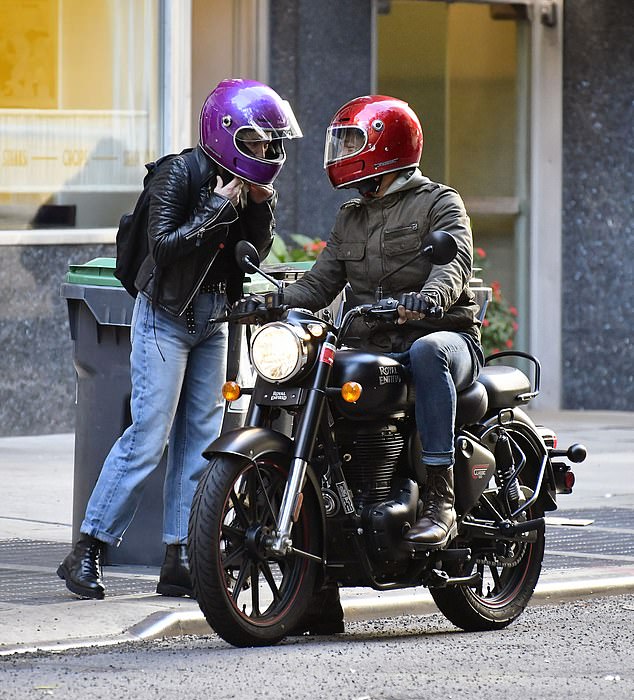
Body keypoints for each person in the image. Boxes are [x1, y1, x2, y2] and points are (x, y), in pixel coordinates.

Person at [57, 79, 302, 600]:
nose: (264, 153)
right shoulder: (177, 174)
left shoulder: (243, 184)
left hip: (213, 320)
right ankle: (87, 550)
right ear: (227, 134)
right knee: (148, 436)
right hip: (164, 318)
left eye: (269, 144)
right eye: (256, 143)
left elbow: (253, 252)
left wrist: (258, 206)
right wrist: (215, 208)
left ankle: (181, 555)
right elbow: (163, 247)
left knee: (200, 443)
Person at [246, 94, 483, 550]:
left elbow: (452, 266)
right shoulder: (351, 217)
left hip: (445, 339)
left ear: (386, 143)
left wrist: (430, 298)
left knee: (427, 349)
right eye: (341, 142)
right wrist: (264, 301)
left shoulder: (439, 202)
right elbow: (318, 285)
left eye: (352, 141)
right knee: (311, 364)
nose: (342, 152)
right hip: (373, 343)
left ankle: (441, 500)